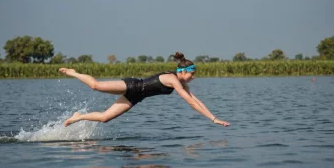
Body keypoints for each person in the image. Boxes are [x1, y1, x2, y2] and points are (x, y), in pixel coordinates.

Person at [59, 52, 230, 127]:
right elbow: (191, 102)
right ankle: (74, 73)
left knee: (104, 118)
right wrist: (212, 119)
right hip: (132, 85)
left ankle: (78, 117)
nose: (194, 77)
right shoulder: (172, 79)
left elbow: (196, 100)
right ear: (183, 71)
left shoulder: (181, 83)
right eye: (192, 74)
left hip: (136, 97)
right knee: (96, 85)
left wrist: (213, 118)